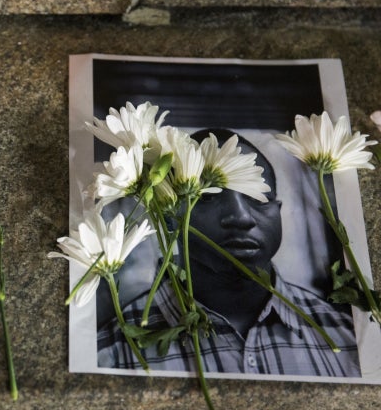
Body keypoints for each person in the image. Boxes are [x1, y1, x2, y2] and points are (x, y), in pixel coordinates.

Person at [97, 128, 360, 377]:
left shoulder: (348, 336)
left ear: (278, 212)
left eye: (258, 198)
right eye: (207, 196)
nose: (241, 217)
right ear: (168, 220)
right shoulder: (111, 352)